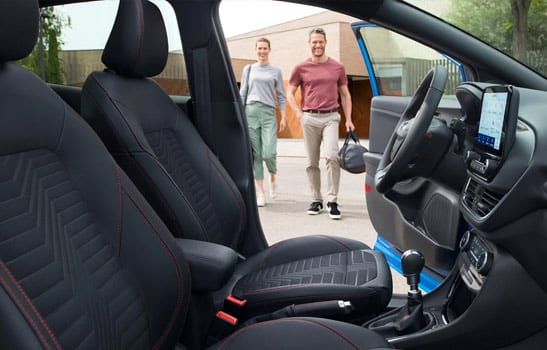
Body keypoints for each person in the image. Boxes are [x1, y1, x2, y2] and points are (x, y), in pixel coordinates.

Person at [287, 27, 355, 220]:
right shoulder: (300, 67)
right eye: (314, 42)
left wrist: (349, 119)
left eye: (320, 41)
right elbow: (289, 93)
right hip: (309, 118)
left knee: (332, 156)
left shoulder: (337, 67)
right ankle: (316, 200)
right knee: (311, 162)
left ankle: (332, 200)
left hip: (331, 117)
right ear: (310, 44)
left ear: (326, 42)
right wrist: (299, 114)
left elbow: (345, 94)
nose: (318, 45)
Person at [240, 37, 287, 207]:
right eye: (259, 48)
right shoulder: (249, 69)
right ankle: (260, 192)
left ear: (269, 49)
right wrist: (240, 115)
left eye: (265, 48)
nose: (262, 51)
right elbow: (242, 92)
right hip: (250, 112)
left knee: (269, 153)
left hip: (268, 113)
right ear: (256, 50)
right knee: (257, 155)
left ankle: (273, 176)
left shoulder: (276, 71)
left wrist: (283, 116)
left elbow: (281, 95)